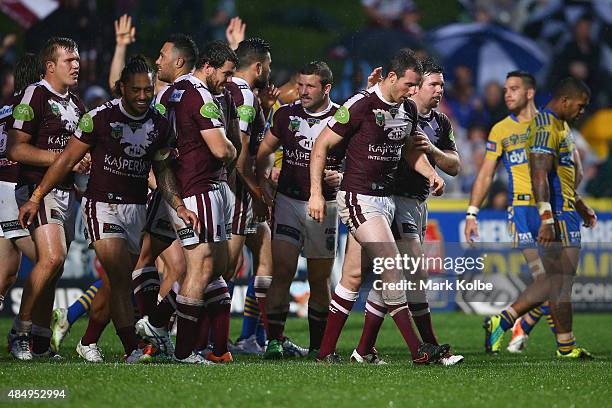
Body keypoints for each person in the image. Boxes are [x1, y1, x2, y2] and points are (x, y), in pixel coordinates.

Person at [19, 56, 198, 363]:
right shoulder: (98, 118)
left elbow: (164, 170)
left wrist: (178, 205)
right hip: (101, 206)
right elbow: (65, 160)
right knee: (118, 276)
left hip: (135, 209)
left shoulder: (159, 123)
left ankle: (88, 341)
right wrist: (36, 196)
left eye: (148, 90)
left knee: (119, 280)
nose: (143, 96)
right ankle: (132, 348)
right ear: (122, 88)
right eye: (136, 90)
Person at [308, 48, 447, 364]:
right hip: (358, 197)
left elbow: (410, 149)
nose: (413, 92)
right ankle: (418, 350)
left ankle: (328, 353)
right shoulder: (360, 105)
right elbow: (322, 144)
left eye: (416, 86)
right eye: (409, 85)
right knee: (392, 264)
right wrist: (316, 193)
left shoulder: (406, 109)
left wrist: (430, 173)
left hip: (386, 201)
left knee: (353, 277)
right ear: (392, 76)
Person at [353, 58, 463, 366]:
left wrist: (434, 152)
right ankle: (430, 346)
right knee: (415, 272)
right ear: (415, 86)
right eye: (432, 84)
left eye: (442, 84)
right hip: (393, 200)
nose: (439, 90)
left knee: (391, 279)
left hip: (419, 203)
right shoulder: (402, 113)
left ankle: (363, 350)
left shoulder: (441, 123)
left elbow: (455, 166)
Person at [136, 41, 237, 364]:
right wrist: (233, 151)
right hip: (198, 188)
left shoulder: (167, 95)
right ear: (206, 66)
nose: (228, 80)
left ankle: (155, 321)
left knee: (216, 266)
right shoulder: (201, 95)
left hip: (177, 189)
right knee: (202, 267)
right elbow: (221, 150)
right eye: (225, 73)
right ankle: (183, 352)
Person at [7, 37, 89, 360]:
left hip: (67, 192)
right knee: (52, 258)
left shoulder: (77, 105)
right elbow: (15, 148)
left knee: (55, 267)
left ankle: (41, 342)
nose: (76, 64)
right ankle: (21, 331)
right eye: (69, 60)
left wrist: (84, 160)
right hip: (37, 190)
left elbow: (79, 153)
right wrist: (61, 157)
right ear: (50, 66)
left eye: (78, 59)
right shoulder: (35, 94)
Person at [464, 71, 557, 353]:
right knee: (549, 280)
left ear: (530, 93)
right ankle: (517, 326)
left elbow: (570, 166)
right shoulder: (501, 129)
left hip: (548, 212)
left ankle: (514, 325)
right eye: (505, 89)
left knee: (554, 281)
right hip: (521, 213)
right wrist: (471, 212)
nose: (507, 94)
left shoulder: (551, 125)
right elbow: (485, 175)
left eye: (514, 89)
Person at [255, 61, 342, 358]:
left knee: (319, 279)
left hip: (324, 206)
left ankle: (319, 347)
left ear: (326, 88)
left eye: (310, 86)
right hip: (289, 202)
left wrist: (340, 177)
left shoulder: (342, 117)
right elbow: (263, 151)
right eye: (300, 85)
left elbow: (357, 160)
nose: (302, 92)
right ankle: (274, 342)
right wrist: (266, 179)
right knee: (282, 272)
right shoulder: (286, 114)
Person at [526, 77, 596, 359]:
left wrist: (579, 204)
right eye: (580, 106)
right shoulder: (544, 125)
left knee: (561, 281)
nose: (582, 112)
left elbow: (561, 176)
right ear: (565, 100)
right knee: (559, 281)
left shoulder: (561, 126)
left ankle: (565, 345)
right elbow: (539, 173)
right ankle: (563, 346)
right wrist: (547, 218)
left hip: (566, 211)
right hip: (555, 215)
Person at [224, 38, 276, 353]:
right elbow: (240, 152)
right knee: (225, 266)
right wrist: (256, 192)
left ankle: (249, 337)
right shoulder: (243, 93)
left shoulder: (229, 89)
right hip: (236, 190)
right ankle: (204, 339)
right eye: (267, 65)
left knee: (264, 250)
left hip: (230, 188)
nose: (268, 70)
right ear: (258, 66)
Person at [0, 53, 40, 313]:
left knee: (6, 274)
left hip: (4, 188)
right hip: (13, 190)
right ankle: (24, 331)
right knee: (48, 260)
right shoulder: (33, 108)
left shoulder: (4, 108)